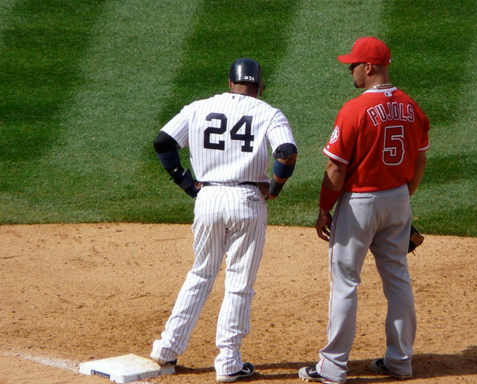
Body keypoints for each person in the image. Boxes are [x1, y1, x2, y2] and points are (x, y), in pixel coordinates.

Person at [150, 58, 297, 383]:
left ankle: (166, 349)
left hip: (208, 199)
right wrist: (274, 187)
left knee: (201, 273)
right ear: (260, 86)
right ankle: (228, 361)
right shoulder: (268, 113)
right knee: (239, 284)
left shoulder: (199, 107)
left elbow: (163, 142)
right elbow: (286, 152)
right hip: (247, 201)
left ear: (230, 83)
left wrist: (187, 183)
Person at [298, 37, 429, 383]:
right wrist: (403, 198)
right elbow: (419, 160)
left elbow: (336, 171)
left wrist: (325, 209)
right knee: (398, 280)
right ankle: (400, 361)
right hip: (398, 199)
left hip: (359, 205)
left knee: (345, 284)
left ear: (369, 67)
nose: (350, 69)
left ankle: (332, 367)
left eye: (353, 64)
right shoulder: (412, 106)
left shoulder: (354, 110)